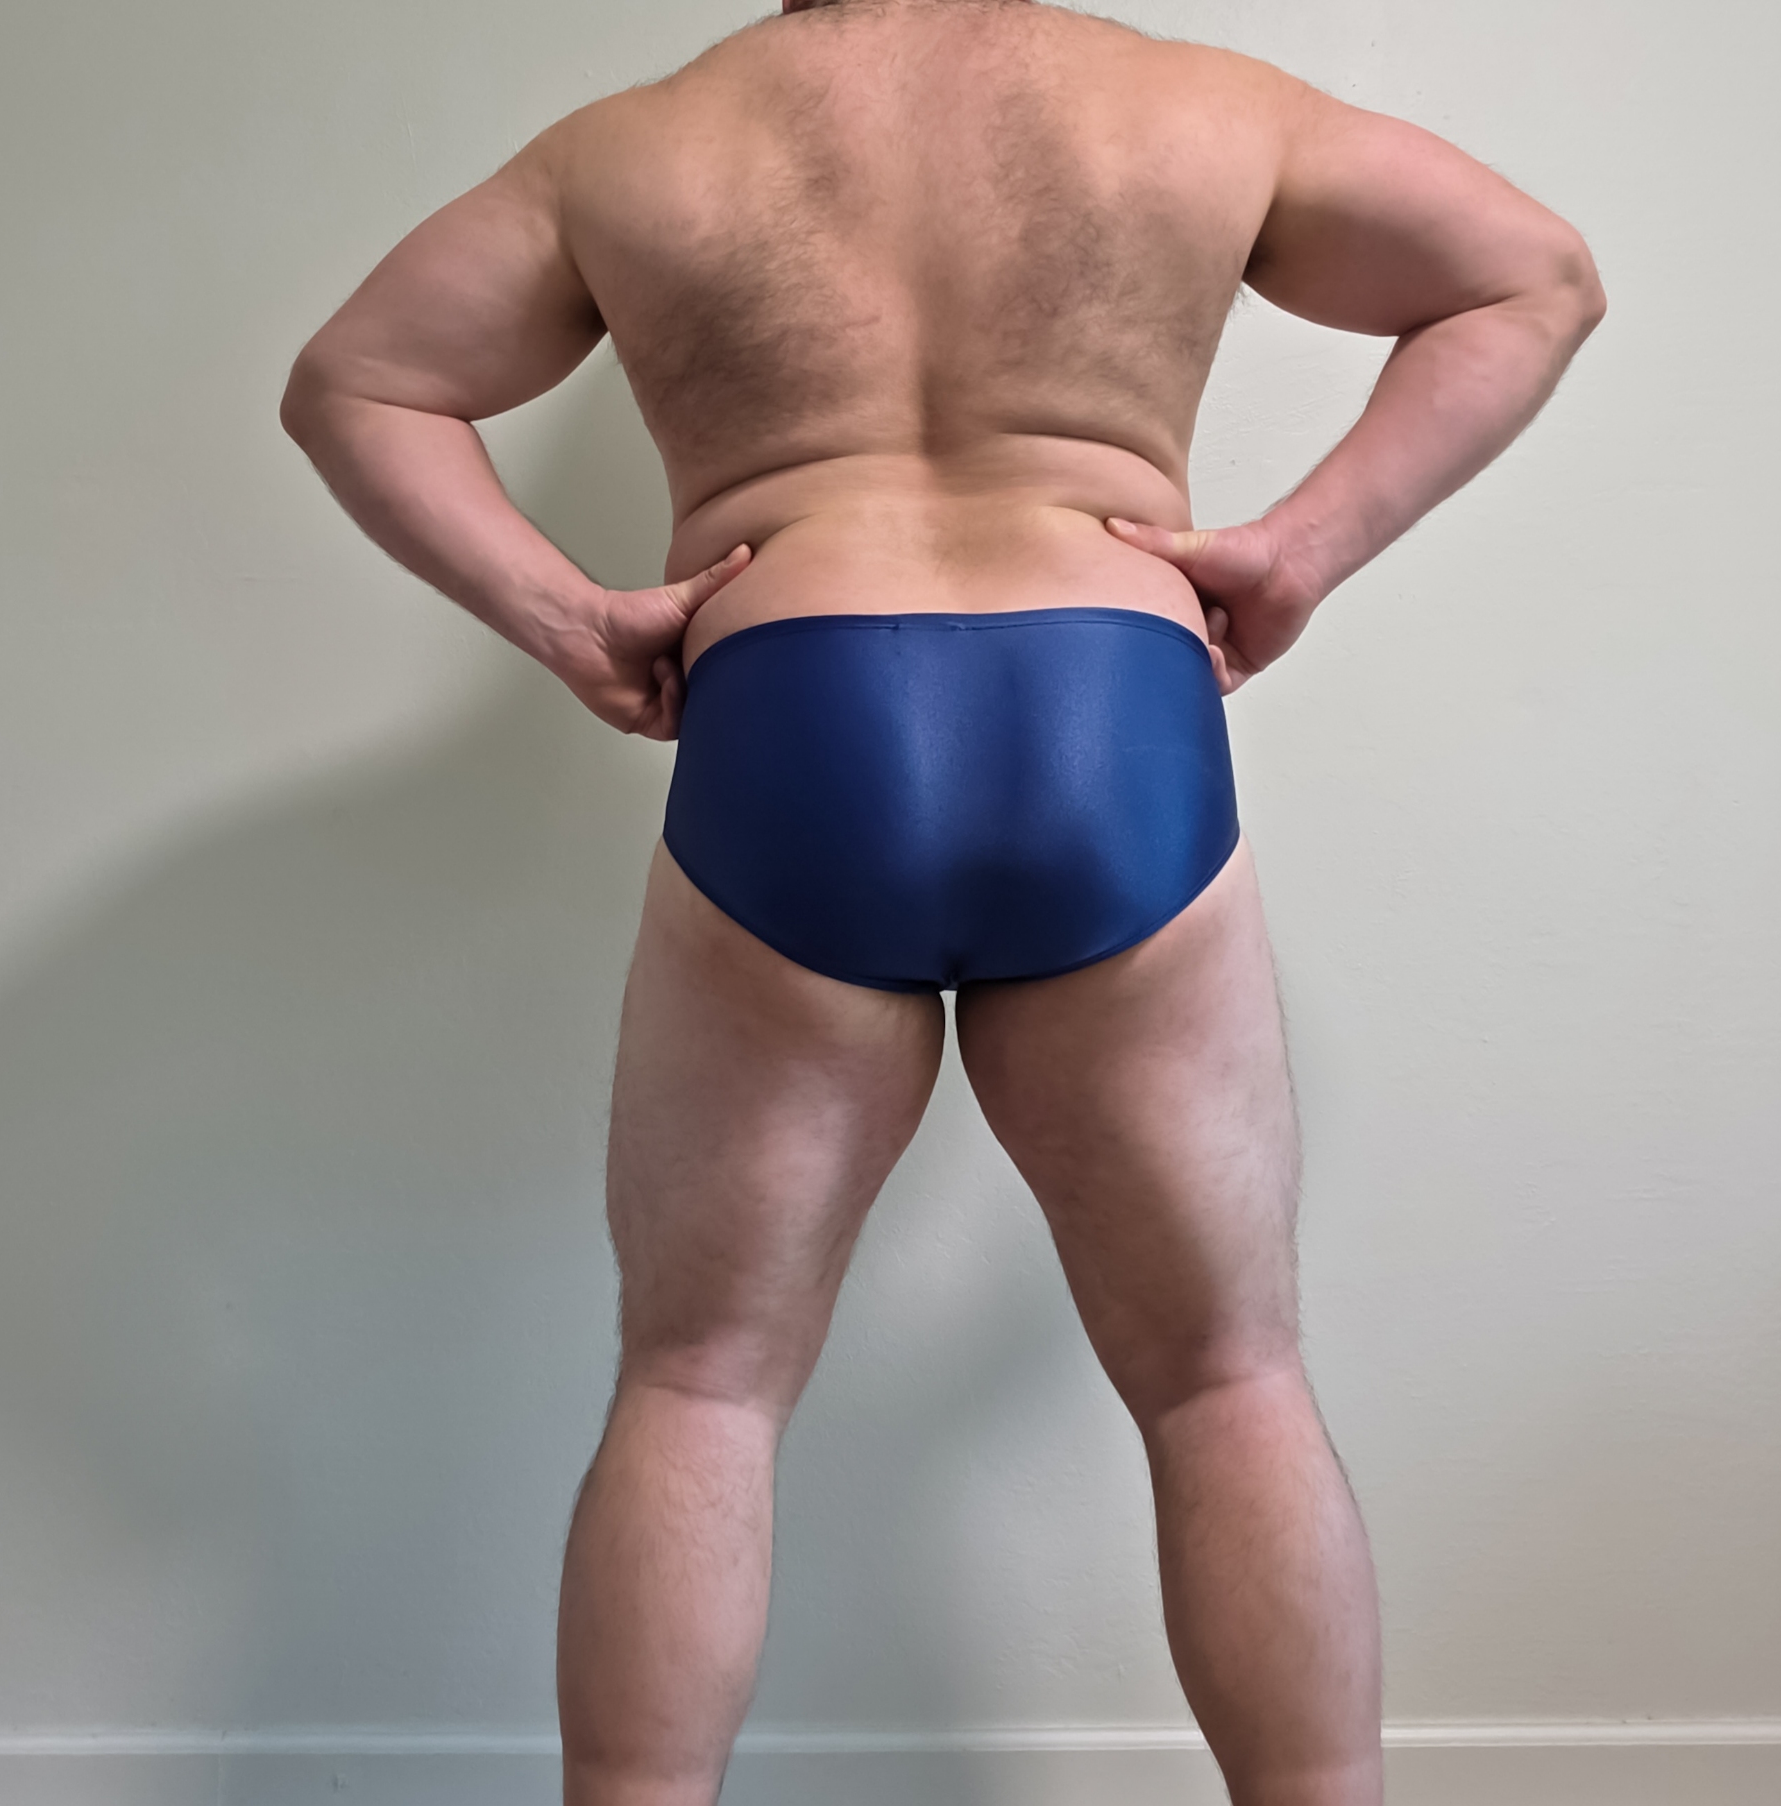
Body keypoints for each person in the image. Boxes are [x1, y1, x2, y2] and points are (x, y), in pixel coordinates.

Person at [279, 1, 1604, 1799]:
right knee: (1225, 1377)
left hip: (794, 695)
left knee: (701, 1380)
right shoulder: (1199, 104)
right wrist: (1301, 550)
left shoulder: (638, 144)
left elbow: (354, 380)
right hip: (1109, 696)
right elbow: (1535, 275)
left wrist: (572, 618)